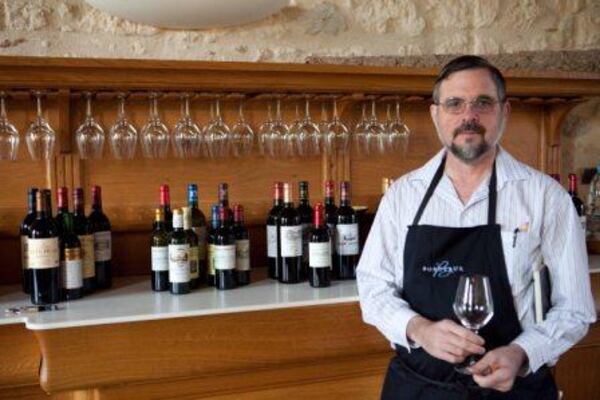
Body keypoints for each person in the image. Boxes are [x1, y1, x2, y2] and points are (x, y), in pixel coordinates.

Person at [356, 55, 596, 399]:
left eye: (483, 103)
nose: (469, 116)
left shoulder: (545, 197)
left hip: (513, 389)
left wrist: (523, 352)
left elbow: (576, 309)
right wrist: (419, 329)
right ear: (435, 113)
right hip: (419, 389)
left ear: (504, 112)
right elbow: (373, 288)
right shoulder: (402, 196)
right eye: (454, 103)